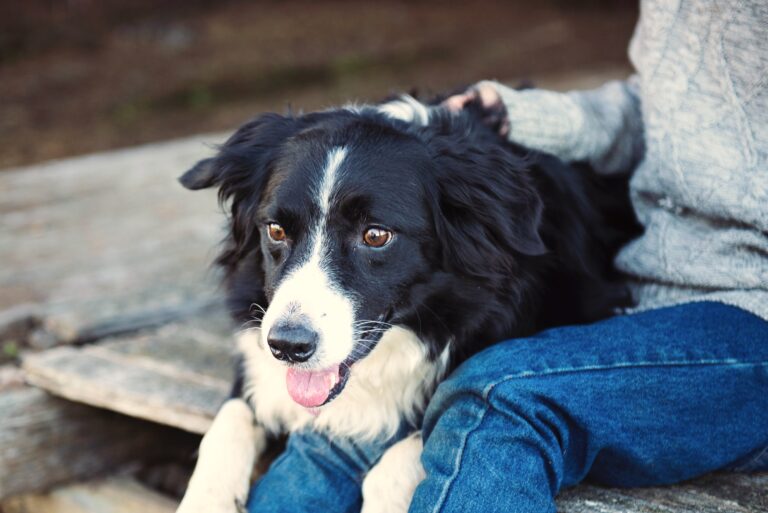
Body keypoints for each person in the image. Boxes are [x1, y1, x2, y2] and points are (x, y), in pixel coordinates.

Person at [248, 1, 768, 511]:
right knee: (327, 447)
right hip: (650, 287)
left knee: (495, 399)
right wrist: (513, 114)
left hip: (750, 306)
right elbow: (667, 113)